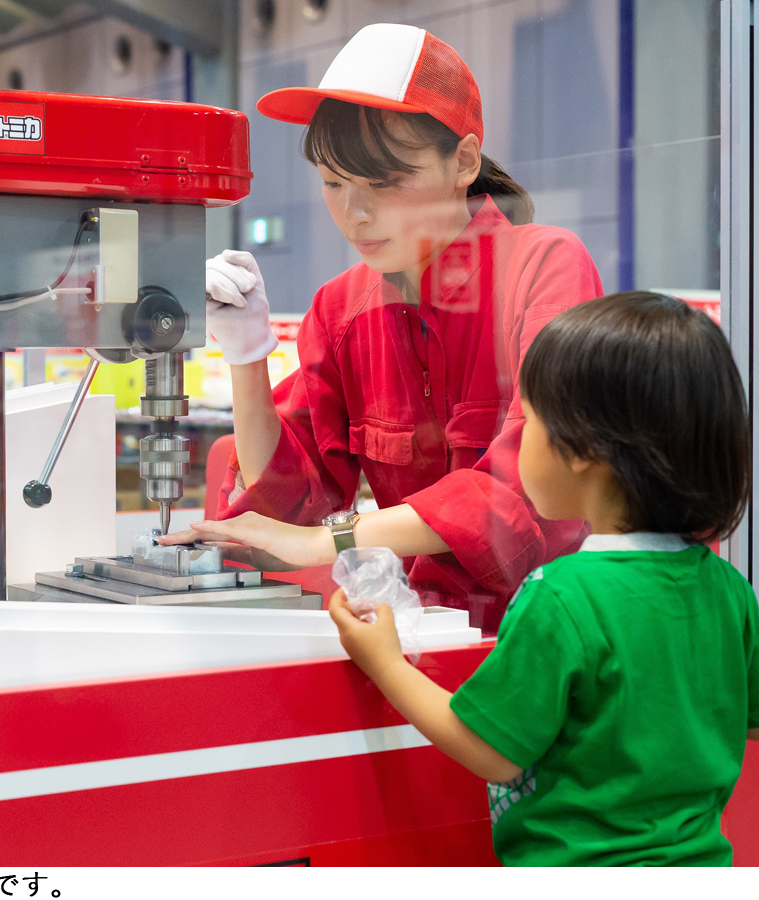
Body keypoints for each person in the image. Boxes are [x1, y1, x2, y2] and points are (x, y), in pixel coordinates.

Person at [162, 23, 604, 632]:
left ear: (464, 162)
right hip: (421, 633)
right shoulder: (340, 309)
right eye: (333, 183)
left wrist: (331, 541)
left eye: (385, 182)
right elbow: (290, 507)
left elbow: (528, 488)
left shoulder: (544, 266)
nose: (356, 214)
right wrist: (246, 355)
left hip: (557, 633)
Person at [328, 292, 759, 866]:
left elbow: (493, 752)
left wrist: (384, 661)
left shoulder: (561, 595)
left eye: (530, 422)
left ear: (583, 449)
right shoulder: (725, 586)